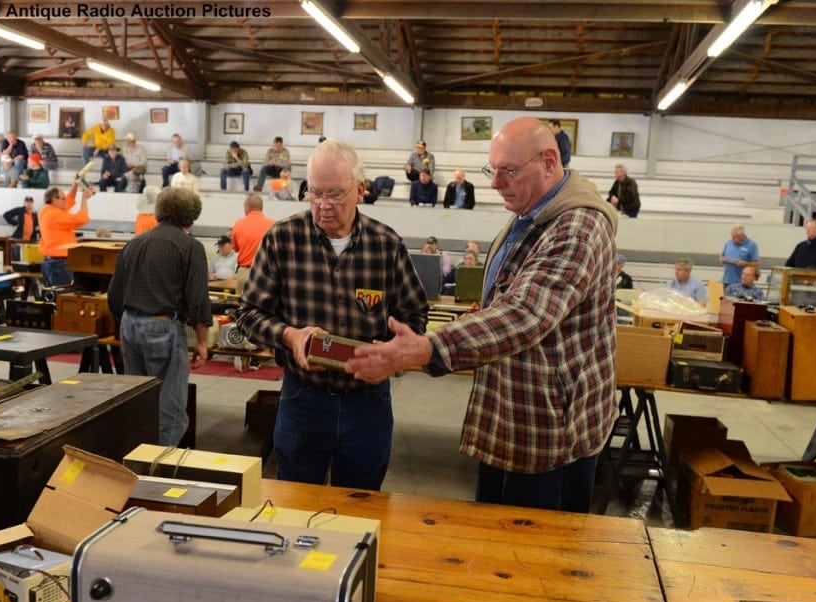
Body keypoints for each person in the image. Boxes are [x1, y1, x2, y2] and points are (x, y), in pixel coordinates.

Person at [345, 117, 619, 513]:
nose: (494, 183)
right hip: (513, 415)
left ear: (548, 162)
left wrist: (427, 347)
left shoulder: (578, 225)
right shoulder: (532, 212)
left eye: (508, 171)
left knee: (535, 554)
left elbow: (526, 313)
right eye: (492, 170)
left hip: (552, 430)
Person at [237, 139, 429, 491]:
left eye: (336, 195)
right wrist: (290, 336)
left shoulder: (386, 245)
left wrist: (390, 357)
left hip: (368, 403)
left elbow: (414, 315)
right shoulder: (282, 239)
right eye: (314, 193)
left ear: (360, 190)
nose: (323, 206)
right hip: (303, 399)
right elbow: (249, 314)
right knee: (294, 502)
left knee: (361, 503)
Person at [107, 187, 210, 447]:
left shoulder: (135, 243)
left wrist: (129, 322)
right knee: (171, 411)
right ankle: (157, 471)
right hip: (162, 327)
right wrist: (202, 341)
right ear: (191, 216)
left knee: (138, 401)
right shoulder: (191, 247)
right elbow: (198, 299)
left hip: (129, 324)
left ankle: (134, 461)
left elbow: (114, 295)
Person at [38, 179, 95, 287]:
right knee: (62, 296)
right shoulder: (55, 215)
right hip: (59, 263)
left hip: (52, 261)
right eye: (63, 198)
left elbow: (69, 200)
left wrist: (75, 184)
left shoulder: (47, 210)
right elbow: (81, 219)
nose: (66, 200)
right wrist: (84, 199)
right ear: (55, 200)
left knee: (53, 297)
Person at [229, 193, 275, 293]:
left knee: (241, 305)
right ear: (261, 207)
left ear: (247, 207)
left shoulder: (238, 224)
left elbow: (235, 248)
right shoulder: (273, 225)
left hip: (244, 273)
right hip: (265, 273)